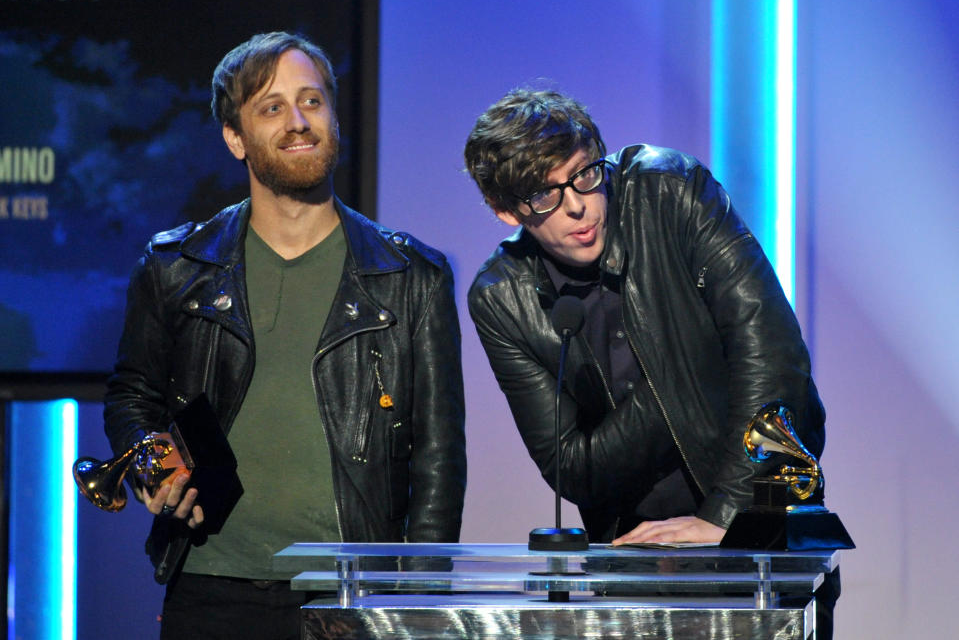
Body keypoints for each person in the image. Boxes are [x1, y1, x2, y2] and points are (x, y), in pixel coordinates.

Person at [102, 32, 466, 639]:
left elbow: (438, 459)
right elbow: (132, 394)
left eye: (312, 101)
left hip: (353, 594)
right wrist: (156, 465)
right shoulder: (175, 268)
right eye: (272, 107)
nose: (298, 121)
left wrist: (418, 603)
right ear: (235, 137)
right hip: (210, 587)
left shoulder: (411, 277)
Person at [464, 88, 838, 632]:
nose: (576, 205)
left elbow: (774, 361)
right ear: (505, 211)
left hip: (766, 518)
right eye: (544, 195)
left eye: (584, 174)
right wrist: (689, 373)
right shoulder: (502, 297)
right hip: (636, 557)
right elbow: (574, 468)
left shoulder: (672, 191)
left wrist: (728, 517)